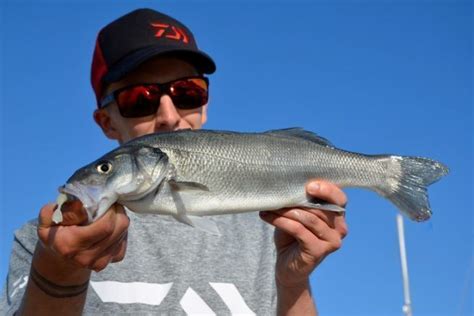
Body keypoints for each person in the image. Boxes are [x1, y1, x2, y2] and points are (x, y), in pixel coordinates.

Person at [1, 8, 348, 315]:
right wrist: (58, 274)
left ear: (205, 103)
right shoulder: (40, 242)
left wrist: (293, 283)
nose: (169, 116)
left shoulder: (272, 225)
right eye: (140, 99)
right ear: (107, 122)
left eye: (188, 93)